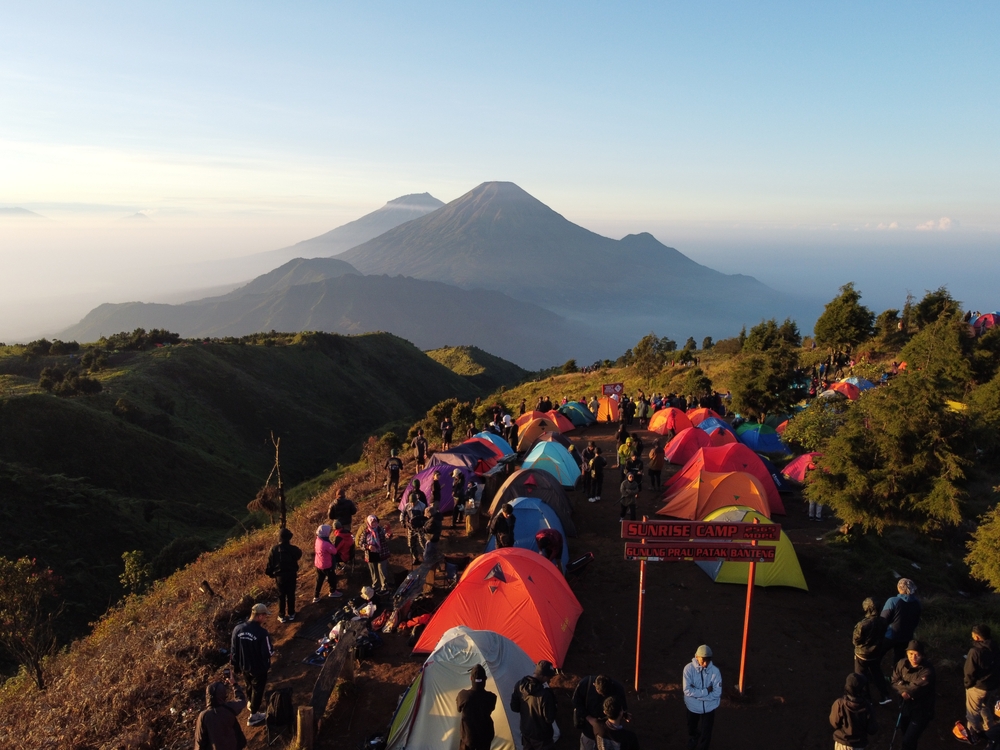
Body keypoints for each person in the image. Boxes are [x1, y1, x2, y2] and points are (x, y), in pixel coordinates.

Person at [230, 603, 273, 727]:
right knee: (258, 690)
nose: (265, 618)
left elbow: (233, 650)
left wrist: (235, 665)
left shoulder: (237, 629)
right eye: (265, 616)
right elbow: (268, 652)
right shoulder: (262, 633)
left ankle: (250, 703)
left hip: (244, 666)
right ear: (259, 616)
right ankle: (253, 715)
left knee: (249, 685)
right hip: (258, 668)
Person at [891, 640, 935, 750]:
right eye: (911, 654)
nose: (913, 657)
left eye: (917, 655)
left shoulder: (927, 671)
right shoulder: (901, 664)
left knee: (908, 741)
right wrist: (904, 691)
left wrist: (904, 687)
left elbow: (916, 689)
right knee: (906, 736)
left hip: (921, 711)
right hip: (905, 708)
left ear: (922, 656)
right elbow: (894, 682)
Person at [510, 660, 558, 750]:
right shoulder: (545, 695)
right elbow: (549, 718)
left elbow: (514, 708)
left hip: (526, 734)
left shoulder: (519, 686)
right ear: (542, 676)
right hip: (542, 738)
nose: (550, 679)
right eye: (549, 677)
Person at [573, 674, 629, 750]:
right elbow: (576, 703)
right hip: (589, 729)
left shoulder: (618, 689)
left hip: (609, 733)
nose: (603, 696)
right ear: (594, 685)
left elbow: (622, 707)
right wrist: (589, 718)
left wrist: (624, 714)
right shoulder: (585, 684)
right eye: (600, 693)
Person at [852, 597, 891, 704]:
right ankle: (885, 695)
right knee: (877, 673)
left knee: (861, 675)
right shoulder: (883, 621)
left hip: (862, 654)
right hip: (876, 653)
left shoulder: (863, 624)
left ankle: (867, 698)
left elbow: (856, 640)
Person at [682, 644, 721, 750]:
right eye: (702, 660)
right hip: (693, 706)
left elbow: (717, 693)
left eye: (707, 661)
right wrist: (706, 691)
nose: (705, 664)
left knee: (706, 732)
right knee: (691, 726)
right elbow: (687, 690)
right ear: (696, 657)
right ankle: (694, 736)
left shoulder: (715, 672)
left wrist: (697, 694)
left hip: (709, 707)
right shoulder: (688, 669)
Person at [965, 624, 1000, 739]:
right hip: (992, 686)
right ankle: (989, 727)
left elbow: (969, 671)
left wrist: (968, 684)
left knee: (972, 713)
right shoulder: (995, 647)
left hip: (978, 687)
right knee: (984, 706)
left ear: (977, 637)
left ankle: (974, 735)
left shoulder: (975, 651)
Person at [194, 678, 247, 750]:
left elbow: (200, 741)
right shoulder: (229, 708)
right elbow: (241, 700)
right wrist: (234, 684)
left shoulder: (204, 716)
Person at [829, 673, 878, 749]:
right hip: (858, 745)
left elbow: (834, 723)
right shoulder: (867, 707)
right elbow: (872, 729)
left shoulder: (839, 704)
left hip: (842, 744)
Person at [457, 664, 498, 750]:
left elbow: (458, 709)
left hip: (468, 739)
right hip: (485, 738)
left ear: (471, 679)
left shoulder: (463, 695)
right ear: (485, 679)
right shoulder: (491, 697)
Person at [264, 527, 302, 623]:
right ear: (289, 538)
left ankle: (281, 615)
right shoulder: (294, 549)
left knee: (281, 595)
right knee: (291, 594)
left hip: (279, 577)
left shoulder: (274, 549)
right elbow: (299, 555)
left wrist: (271, 574)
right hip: (291, 575)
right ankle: (291, 613)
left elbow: (269, 565)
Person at [881, 578, 922, 666]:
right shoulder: (917, 603)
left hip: (890, 635)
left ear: (899, 588)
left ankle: (872, 676)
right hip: (907, 637)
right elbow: (916, 621)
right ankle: (896, 678)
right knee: (899, 661)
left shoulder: (893, 601)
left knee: (877, 654)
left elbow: (883, 619)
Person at [360, 515, 392, 593]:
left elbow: (386, 536)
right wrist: (368, 546)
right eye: (372, 522)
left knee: (382, 571)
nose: (374, 524)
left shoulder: (381, 530)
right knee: (373, 572)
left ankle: (384, 587)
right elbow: (361, 543)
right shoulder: (365, 532)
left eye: (375, 522)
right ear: (368, 523)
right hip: (371, 555)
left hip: (381, 553)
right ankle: (376, 586)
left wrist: (389, 534)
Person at [313, 524, 342, 602]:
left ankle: (316, 596)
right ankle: (332, 592)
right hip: (326, 565)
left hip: (318, 564)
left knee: (319, 580)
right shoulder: (325, 544)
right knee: (332, 578)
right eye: (329, 532)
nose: (329, 533)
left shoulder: (318, 540)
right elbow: (334, 551)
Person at [402, 486, 428, 566]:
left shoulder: (422, 506)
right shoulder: (407, 506)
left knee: (423, 544)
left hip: (420, 528)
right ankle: (415, 558)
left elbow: (427, 517)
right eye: (411, 503)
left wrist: (423, 523)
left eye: (414, 502)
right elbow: (402, 514)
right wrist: (402, 521)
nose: (412, 504)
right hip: (411, 528)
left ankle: (427, 558)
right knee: (411, 544)